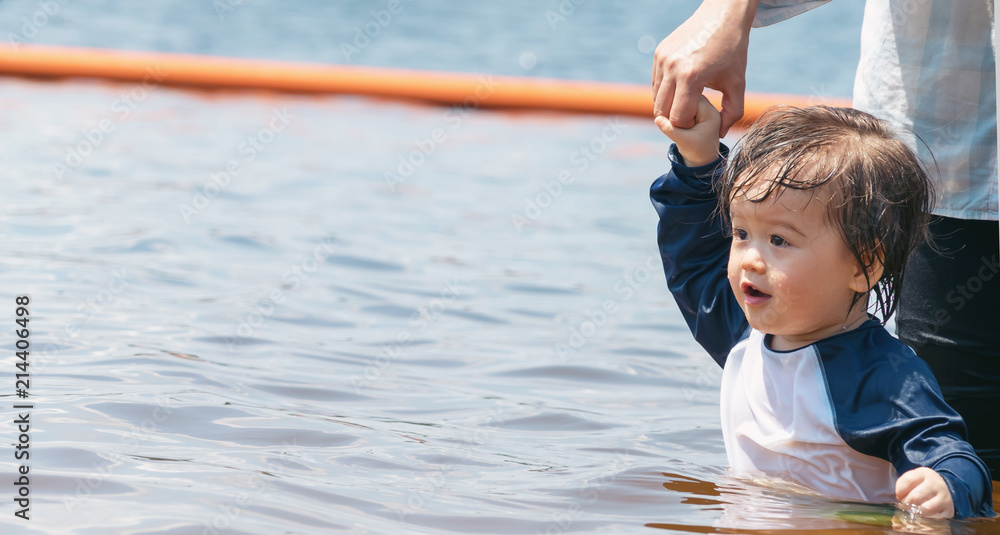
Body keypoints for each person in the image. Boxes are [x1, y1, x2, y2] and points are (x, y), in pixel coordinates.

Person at [652, 0, 1000, 481]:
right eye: (741, 233)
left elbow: (949, 450)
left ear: (864, 265)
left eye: (779, 240)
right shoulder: (742, 333)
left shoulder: (882, 375)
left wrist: (944, 484)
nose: (751, 259)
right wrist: (697, 162)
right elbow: (691, 261)